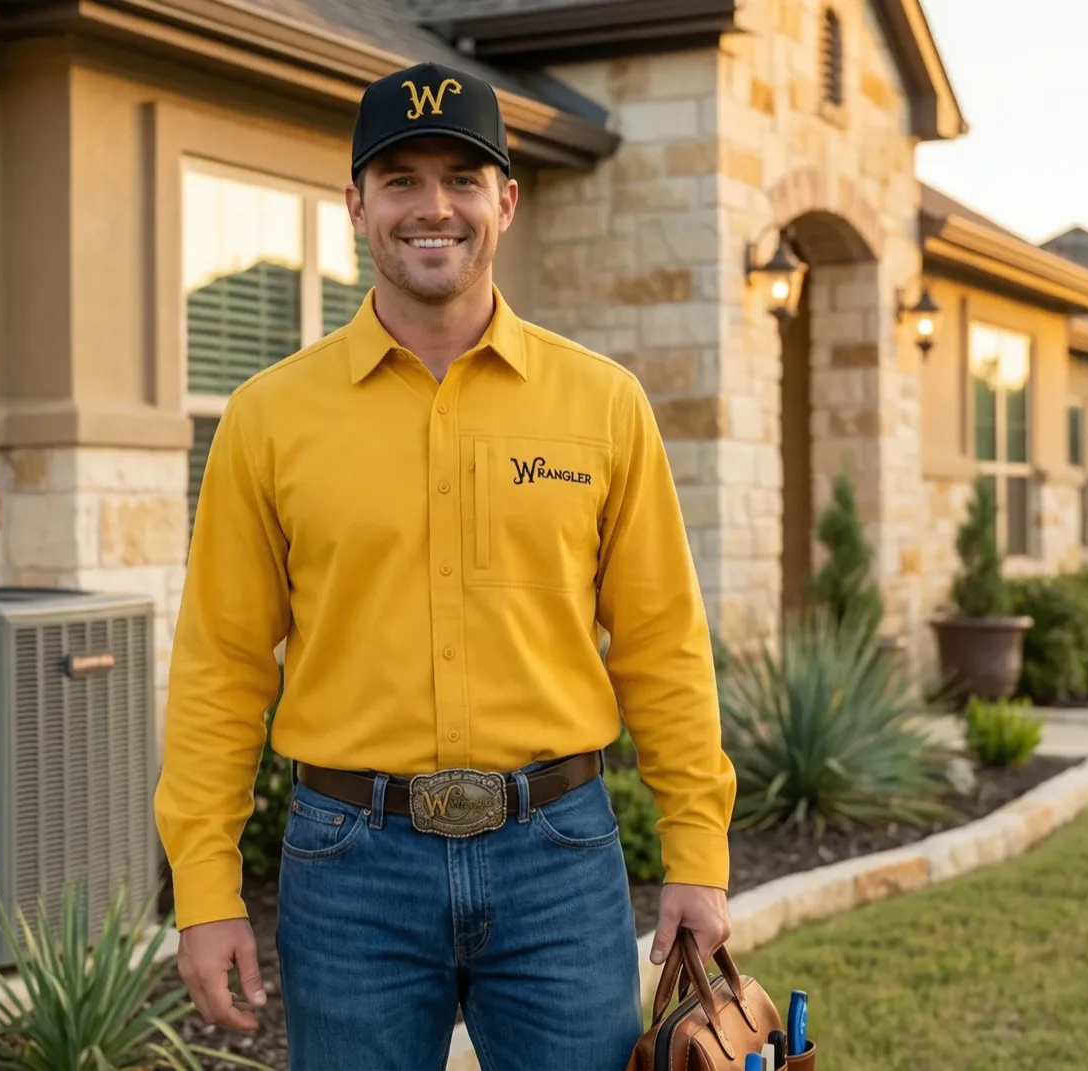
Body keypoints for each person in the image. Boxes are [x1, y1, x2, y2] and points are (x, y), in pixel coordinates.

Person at [153, 60, 737, 1071]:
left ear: (505, 201)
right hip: (350, 872)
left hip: (558, 860)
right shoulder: (268, 419)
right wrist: (205, 889)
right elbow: (222, 667)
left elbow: (662, 645)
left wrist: (700, 853)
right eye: (402, 179)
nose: (434, 207)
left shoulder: (603, 406)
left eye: (463, 179)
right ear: (355, 204)